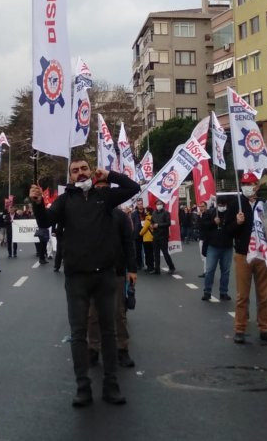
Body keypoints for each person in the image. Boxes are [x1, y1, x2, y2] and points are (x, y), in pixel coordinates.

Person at [30, 154, 141, 407]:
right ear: (70, 176)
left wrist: (110, 175)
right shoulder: (65, 200)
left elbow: (133, 188)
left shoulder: (105, 197)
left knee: (109, 332)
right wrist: (37, 203)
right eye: (75, 170)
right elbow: (45, 221)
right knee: (79, 334)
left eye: (84, 168)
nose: (80, 172)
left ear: (92, 172)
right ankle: (83, 387)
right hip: (77, 278)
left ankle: (111, 385)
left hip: (105, 276)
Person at [226, 172, 267, 344]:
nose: (247, 186)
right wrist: (237, 223)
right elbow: (227, 231)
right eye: (244, 183)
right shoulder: (236, 204)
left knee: (264, 295)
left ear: (257, 185)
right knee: (242, 295)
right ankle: (240, 329)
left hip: (263, 254)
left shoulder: (265, 204)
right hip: (243, 254)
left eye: (251, 183)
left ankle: (265, 328)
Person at [87, 204, 137, 369]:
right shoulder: (88, 214)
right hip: (93, 272)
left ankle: (122, 349)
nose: (102, 192)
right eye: (98, 188)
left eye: (105, 187)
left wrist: (132, 269)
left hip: (116, 272)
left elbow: (128, 243)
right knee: (93, 314)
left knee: (118, 312)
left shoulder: (120, 216)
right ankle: (93, 349)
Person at [199, 195, 233, 302]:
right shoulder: (210, 212)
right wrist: (213, 222)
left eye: (223, 205)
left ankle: (224, 292)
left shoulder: (230, 213)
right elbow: (203, 225)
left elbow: (235, 227)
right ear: (216, 204)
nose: (222, 206)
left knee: (226, 271)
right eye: (220, 204)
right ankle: (207, 292)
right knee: (209, 270)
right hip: (213, 246)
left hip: (227, 246)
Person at [149, 199, 175, 274]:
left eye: (160, 204)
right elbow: (152, 221)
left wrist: (158, 225)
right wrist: (151, 225)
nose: (158, 205)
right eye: (157, 204)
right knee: (156, 253)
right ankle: (157, 269)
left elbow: (168, 223)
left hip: (163, 236)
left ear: (162, 205)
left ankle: (171, 267)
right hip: (155, 235)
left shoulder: (166, 213)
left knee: (165, 253)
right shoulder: (153, 213)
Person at [139, 208, 154, 273]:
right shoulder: (153, 218)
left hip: (147, 239)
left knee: (148, 254)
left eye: (145, 211)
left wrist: (140, 233)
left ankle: (149, 267)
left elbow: (144, 229)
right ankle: (152, 266)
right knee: (151, 253)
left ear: (148, 212)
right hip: (152, 238)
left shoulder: (147, 219)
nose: (144, 212)